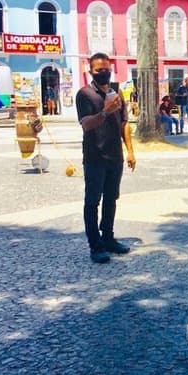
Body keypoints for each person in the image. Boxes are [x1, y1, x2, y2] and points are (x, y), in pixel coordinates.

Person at [76, 53, 136, 263]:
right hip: (95, 157)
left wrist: (130, 151)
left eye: (107, 69)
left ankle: (108, 238)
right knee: (92, 202)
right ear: (90, 71)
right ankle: (95, 246)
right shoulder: (84, 95)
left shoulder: (117, 92)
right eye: (99, 70)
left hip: (115, 157)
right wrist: (105, 111)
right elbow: (86, 124)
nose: (104, 73)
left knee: (111, 199)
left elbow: (124, 123)